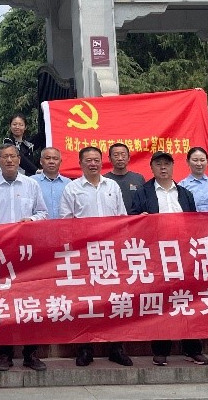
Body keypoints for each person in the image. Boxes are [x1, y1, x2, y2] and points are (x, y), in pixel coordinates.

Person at [129, 152, 208, 366]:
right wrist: (139, 220)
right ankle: (161, 350)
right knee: (161, 301)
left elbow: (194, 222)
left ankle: (192, 348)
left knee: (188, 300)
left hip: (183, 253)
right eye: (158, 164)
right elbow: (132, 219)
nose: (163, 168)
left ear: (173, 167)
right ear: (152, 168)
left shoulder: (185, 193)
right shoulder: (143, 192)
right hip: (156, 254)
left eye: (167, 164)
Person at [59, 146, 133, 368]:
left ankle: (116, 348)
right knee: (85, 302)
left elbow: (121, 218)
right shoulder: (72, 189)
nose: (93, 164)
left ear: (102, 162)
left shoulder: (112, 186)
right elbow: (65, 223)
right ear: (80, 164)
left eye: (96, 160)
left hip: (110, 253)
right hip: (84, 254)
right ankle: (85, 348)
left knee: (113, 300)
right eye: (88, 160)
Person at [0, 144, 48, 371]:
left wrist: (32, 221)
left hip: (26, 254)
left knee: (30, 303)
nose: (9, 160)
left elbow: (43, 213)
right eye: (4, 157)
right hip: (0, 254)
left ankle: (31, 354)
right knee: (3, 304)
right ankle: (5, 354)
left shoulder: (32, 185)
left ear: (19, 159)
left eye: (13, 156)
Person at [103, 142, 144, 212]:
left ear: (129, 158)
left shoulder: (138, 178)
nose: (120, 158)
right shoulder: (104, 181)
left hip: (135, 218)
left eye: (123, 155)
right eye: (116, 155)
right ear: (110, 158)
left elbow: (144, 201)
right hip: (113, 218)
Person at [31, 146, 70, 218]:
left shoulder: (68, 184)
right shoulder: (31, 182)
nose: (51, 162)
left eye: (55, 159)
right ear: (41, 161)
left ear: (60, 162)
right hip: (39, 224)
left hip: (64, 224)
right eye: (47, 158)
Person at [178, 146, 208, 212]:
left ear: (207, 162)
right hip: (191, 218)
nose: (199, 164)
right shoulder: (181, 186)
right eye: (195, 160)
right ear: (188, 161)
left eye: (202, 160)